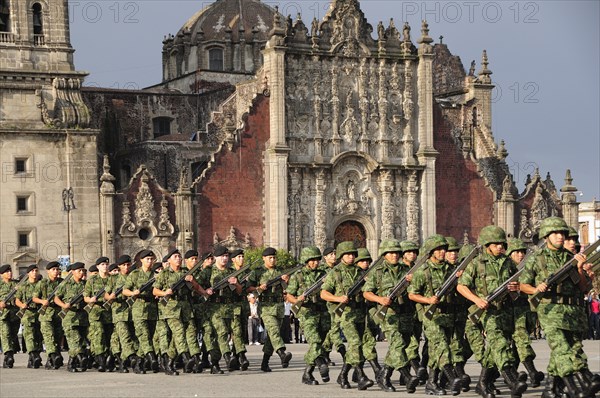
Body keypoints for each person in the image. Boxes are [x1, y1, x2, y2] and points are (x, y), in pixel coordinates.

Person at [520, 217, 599, 397]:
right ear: (546, 236)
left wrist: (580, 269)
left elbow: (583, 288)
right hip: (550, 311)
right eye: (556, 233)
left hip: (571, 312)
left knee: (567, 349)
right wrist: (536, 288)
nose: (561, 237)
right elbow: (523, 285)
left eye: (563, 233)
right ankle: (576, 387)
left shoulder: (570, 258)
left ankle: (551, 389)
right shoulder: (536, 259)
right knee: (562, 349)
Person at [458, 226, 527, 398]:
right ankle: (512, 381)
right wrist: (476, 300)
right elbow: (461, 286)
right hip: (487, 312)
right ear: (487, 244)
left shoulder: (508, 262)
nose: (500, 247)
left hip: (505, 311)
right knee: (499, 344)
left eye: (501, 244)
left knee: (492, 351)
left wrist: (514, 290)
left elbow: (517, 285)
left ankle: (482, 383)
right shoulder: (476, 263)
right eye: (496, 244)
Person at [409, 235, 463, 395]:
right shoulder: (423, 272)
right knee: (441, 346)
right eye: (438, 250)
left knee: (435, 350)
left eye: (443, 249)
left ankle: (432, 382)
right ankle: (452, 377)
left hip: (447, 315)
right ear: (431, 252)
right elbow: (412, 294)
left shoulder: (450, 270)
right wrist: (428, 300)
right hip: (431, 316)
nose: (442, 252)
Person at [321, 241, 373, 390]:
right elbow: (324, 293)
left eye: (352, 254)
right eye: (347, 254)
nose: (351, 257)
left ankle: (343, 375)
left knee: (358, 346)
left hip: (359, 312)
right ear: (341, 256)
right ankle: (361, 376)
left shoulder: (360, 272)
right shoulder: (335, 273)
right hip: (345, 314)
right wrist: (338, 298)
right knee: (355, 343)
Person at [153, 248, 208, 375]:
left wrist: (193, 281)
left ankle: (170, 363)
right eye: (175, 257)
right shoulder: (164, 274)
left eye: (179, 256)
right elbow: (155, 291)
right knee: (179, 333)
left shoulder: (186, 272)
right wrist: (165, 292)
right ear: (169, 260)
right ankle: (186, 357)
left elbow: (197, 287)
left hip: (186, 307)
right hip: (171, 308)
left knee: (190, 332)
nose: (178, 259)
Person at [286, 246, 330, 385]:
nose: (316, 262)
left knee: (320, 344)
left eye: (317, 259)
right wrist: (298, 300)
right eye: (312, 260)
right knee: (314, 340)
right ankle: (321, 363)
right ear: (306, 260)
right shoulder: (298, 276)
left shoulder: (324, 274)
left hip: (322, 312)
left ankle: (307, 373)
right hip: (307, 313)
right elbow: (289, 295)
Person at [506, 238, 544, 387]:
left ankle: (512, 377)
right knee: (521, 341)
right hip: (510, 312)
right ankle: (532, 373)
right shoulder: (506, 269)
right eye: (517, 252)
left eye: (522, 252)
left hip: (526, 310)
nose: (520, 255)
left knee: (517, 346)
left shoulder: (528, 268)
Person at [247, 247, 292, 372]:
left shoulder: (280, 271)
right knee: (273, 330)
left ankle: (265, 362)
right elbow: (248, 287)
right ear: (264, 258)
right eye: (270, 258)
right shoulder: (258, 272)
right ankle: (282, 353)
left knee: (272, 335)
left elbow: (289, 289)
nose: (272, 260)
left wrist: (287, 281)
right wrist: (259, 287)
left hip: (279, 307)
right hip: (266, 307)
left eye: (274, 258)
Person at [199, 246, 243, 373]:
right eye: (222, 256)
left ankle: (215, 364)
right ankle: (227, 357)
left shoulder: (231, 271)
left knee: (221, 336)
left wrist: (236, 284)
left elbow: (239, 292)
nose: (225, 258)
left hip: (228, 308)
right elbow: (196, 285)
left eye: (226, 256)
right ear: (216, 258)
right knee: (221, 332)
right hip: (213, 307)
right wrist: (205, 291)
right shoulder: (208, 271)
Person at [122, 250, 160, 374]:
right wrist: (133, 293)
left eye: (151, 259)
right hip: (139, 308)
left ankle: (138, 362)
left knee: (149, 336)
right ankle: (151, 356)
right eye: (147, 259)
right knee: (143, 335)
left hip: (152, 309)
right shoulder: (135, 274)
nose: (149, 262)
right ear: (141, 260)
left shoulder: (156, 275)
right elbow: (125, 290)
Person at [105, 255, 138, 373]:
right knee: (124, 336)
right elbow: (106, 294)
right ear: (119, 266)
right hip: (119, 311)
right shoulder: (113, 279)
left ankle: (122, 361)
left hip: (133, 310)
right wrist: (110, 297)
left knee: (130, 337)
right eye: (123, 265)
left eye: (128, 265)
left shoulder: (134, 276)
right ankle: (131, 357)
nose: (126, 267)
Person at [54, 262, 89, 372]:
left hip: (82, 316)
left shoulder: (86, 284)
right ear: (73, 272)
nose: (81, 273)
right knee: (74, 339)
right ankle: (79, 358)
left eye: (83, 271)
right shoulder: (65, 284)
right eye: (79, 271)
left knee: (81, 340)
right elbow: (56, 298)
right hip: (70, 317)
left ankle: (72, 362)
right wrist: (64, 305)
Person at [32, 261, 65, 369]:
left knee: (57, 336)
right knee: (48, 336)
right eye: (53, 270)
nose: (56, 272)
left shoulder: (62, 282)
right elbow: (34, 298)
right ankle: (54, 355)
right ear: (48, 271)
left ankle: (51, 359)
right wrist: (42, 302)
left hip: (59, 314)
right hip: (46, 314)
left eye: (57, 269)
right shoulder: (42, 283)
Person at [83, 257, 114, 372]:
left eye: (106, 264)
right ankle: (101, 361)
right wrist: (90, 299)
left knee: (109, 336)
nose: (105, 266)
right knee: (98, 335)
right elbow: (86, 296)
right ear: (97, 267)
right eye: (102, 264)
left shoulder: (113, 279)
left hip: (110, 311)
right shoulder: (92, 280)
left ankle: (109, 360)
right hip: (96, 311)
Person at [321, 247, 346, 365]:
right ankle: (340, 352)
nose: (334, 256)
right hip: (324, 304)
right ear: (325, 257)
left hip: (336, 303)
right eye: (331, 254)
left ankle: (326, 354)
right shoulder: (321, 270)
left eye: (335, 254)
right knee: (330, 330)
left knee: (333, 329)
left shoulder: (339, 269)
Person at [15, 264, 43, 368]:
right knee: (29, 335)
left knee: (39, 336)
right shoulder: (23, 286)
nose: (34, 273)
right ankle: (33, 354)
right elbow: (17, 300)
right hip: (27, 313)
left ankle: (35, 357)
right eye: (32, 271)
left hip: (39, 312)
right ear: (28, 273)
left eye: (36, 270)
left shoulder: (41, 285)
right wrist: (22, 305)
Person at [230, 248, 250, 370]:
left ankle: (235, 357)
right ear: (233, 260)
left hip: (243, 306)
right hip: (233, 306)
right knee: (236, 332)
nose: (241, 259)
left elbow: (247, 288)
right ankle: (242, 356)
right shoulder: (230, 272)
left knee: (241, 332)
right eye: (239, 257)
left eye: (242, 257)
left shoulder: (246, 273)